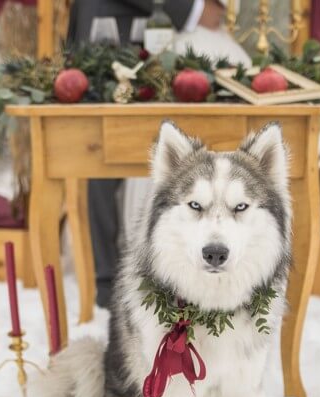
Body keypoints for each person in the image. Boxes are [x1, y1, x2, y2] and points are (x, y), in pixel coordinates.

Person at [66, 0, 227, 308]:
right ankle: (109, 284)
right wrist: (191, 9)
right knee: (103, 158)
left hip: (164, 39)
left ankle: (178, 273)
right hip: (114, 35)